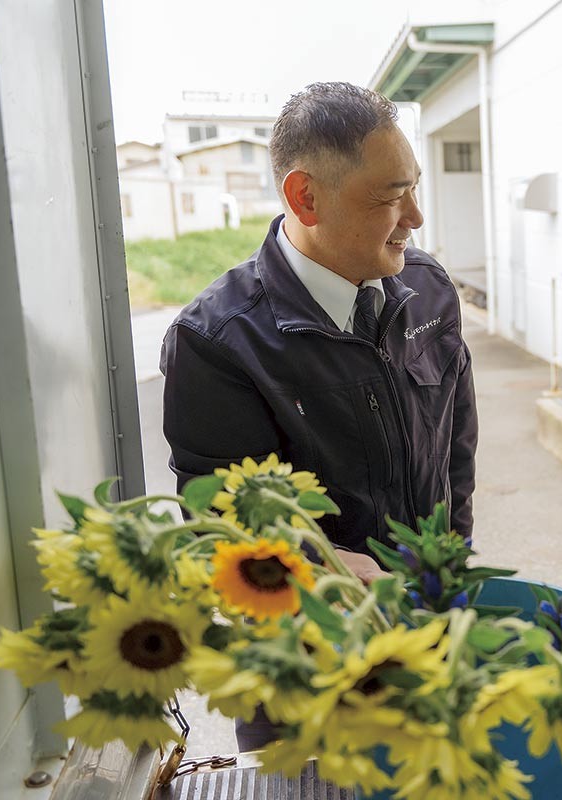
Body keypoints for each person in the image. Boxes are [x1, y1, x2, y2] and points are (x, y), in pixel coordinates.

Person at [161, 84, 476, 606]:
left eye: (414, 189)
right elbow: (218, 519)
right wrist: (318, 560)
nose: (416, 217)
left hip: (435, 606)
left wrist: (453, 565)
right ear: (305, 197)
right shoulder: (217, 342)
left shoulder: (429, 289)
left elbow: (456, 447)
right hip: (310, 638)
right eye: (393, 195)